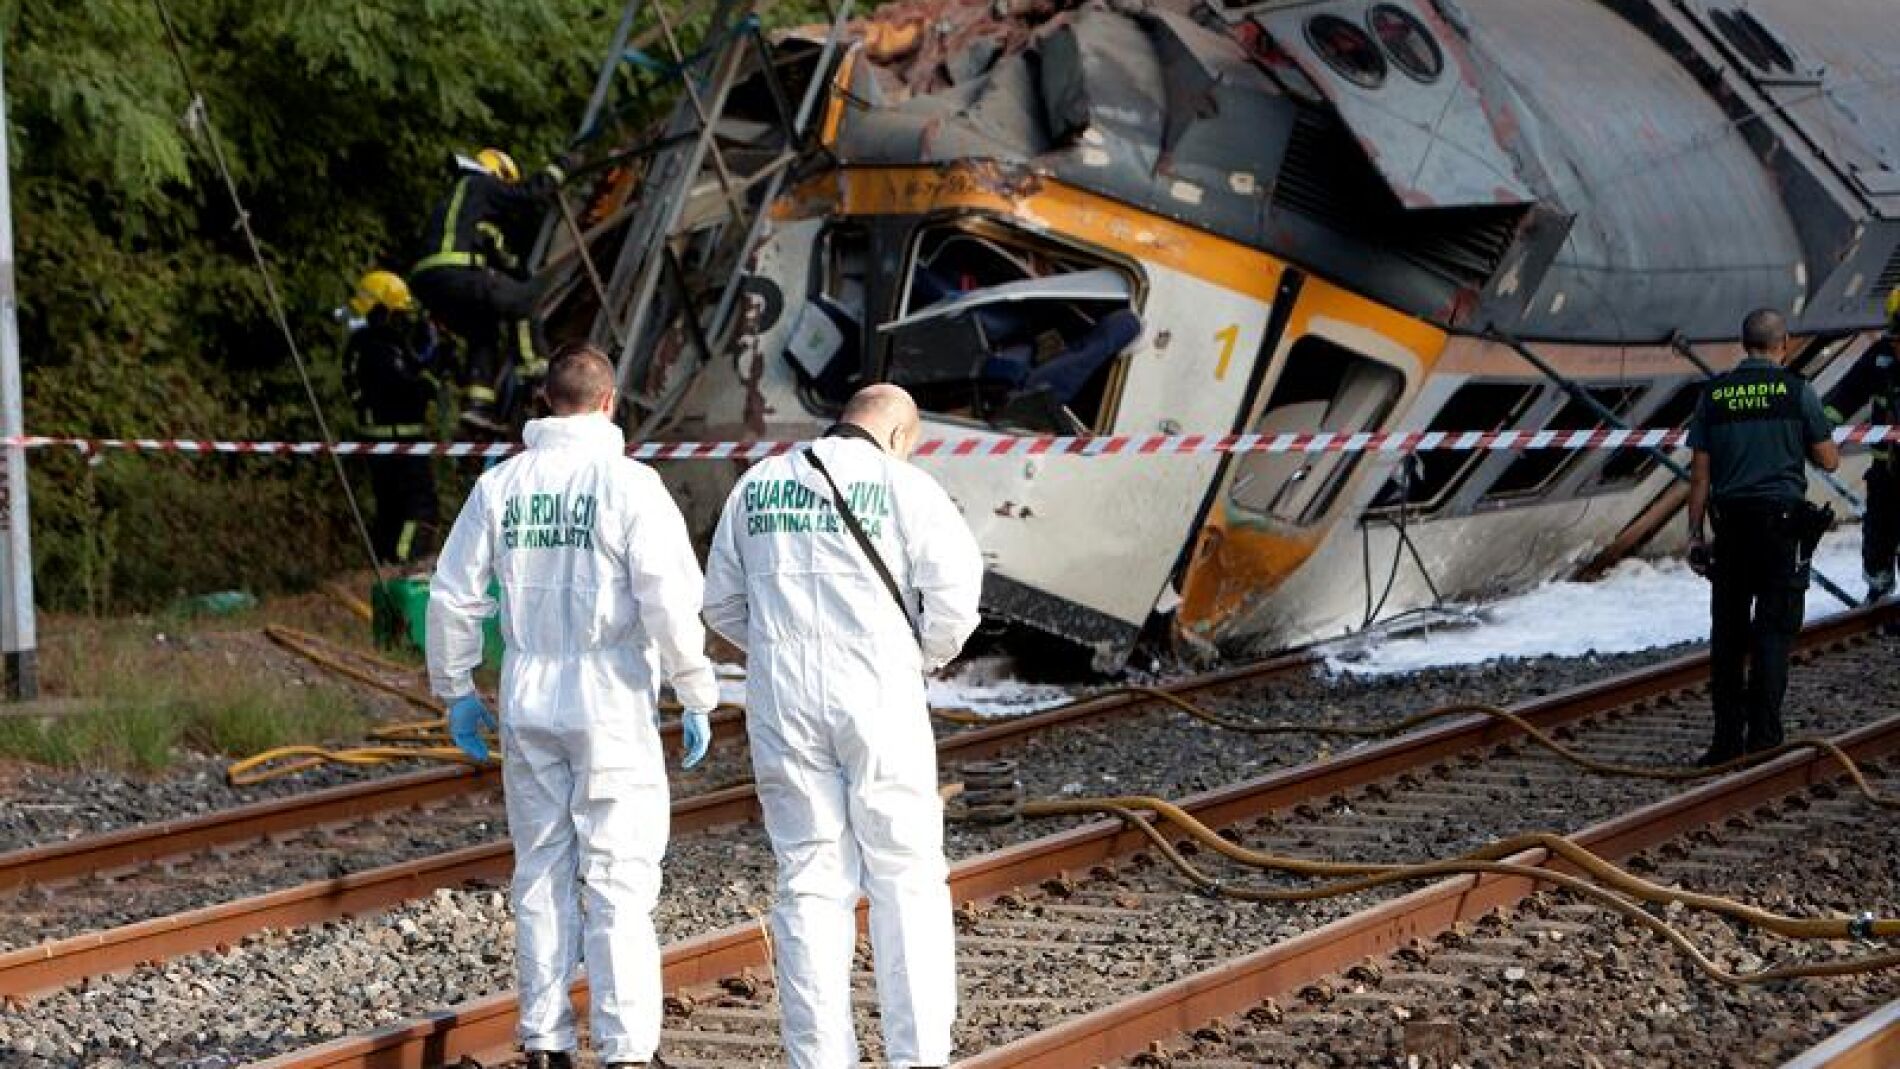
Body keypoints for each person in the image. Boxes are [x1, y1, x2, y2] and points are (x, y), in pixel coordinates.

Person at [426, 346, 720, 1069]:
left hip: (529, 694)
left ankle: (546, 1039)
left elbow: (453, 594)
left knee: (542, 870)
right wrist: (696, 687)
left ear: (544, 402)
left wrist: (457, 689)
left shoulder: (501, 487)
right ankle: (626, 1050)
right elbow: (669, 599)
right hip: (610, 696)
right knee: (619, 875)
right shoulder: (630, 485)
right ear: (610, 402)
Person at [702, 384, 983, 1069]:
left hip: (783, 699)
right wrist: (919, 654)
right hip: (878, 689)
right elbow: (955, 597)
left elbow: (721, 605)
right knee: (905, 874)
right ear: (900, 435)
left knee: (808, 877)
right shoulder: (904, 485)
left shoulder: (758, 486)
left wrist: (777, 645)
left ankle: (819, 1059)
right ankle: (917, 1057)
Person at [1686, 308, 1840, 765]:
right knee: (1774, 633)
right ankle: (1765, 740)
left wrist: (1695, 535)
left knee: (1729, 635)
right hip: (1781, 530)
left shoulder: (1714, 395)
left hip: (1731, 530)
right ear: (1784, 343)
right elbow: (1829, 460)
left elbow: (1699, 478)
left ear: (1744, 343)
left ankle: (1726, 743)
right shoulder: (1797, 392)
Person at [409, 147, 568, 434]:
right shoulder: (479, 183)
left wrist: (517, 269)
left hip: (429, 282)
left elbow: (499, 253)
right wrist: (558, 168)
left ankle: (477, 406)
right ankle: (538, 378)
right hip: (454, 273)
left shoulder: (463, 208)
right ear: (498, 174)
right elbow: (527, 195)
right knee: (523, 300)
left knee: (483, 332)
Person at [342, 270, 444, 566]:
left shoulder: (361, 345)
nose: (402, 320)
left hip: (380, 438)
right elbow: (406, 389)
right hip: (399, 438)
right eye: (397, 313)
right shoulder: (378, 348)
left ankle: (383, 561)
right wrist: (431, 373)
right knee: (419, 506)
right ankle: (406, 560)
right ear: (381, 310)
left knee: (390, 507)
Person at [1859, 289, 1900, 601]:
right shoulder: (1879, 356)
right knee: (1877, 541)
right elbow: (1845, 396)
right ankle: (1879, 599)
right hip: (1885, 476)